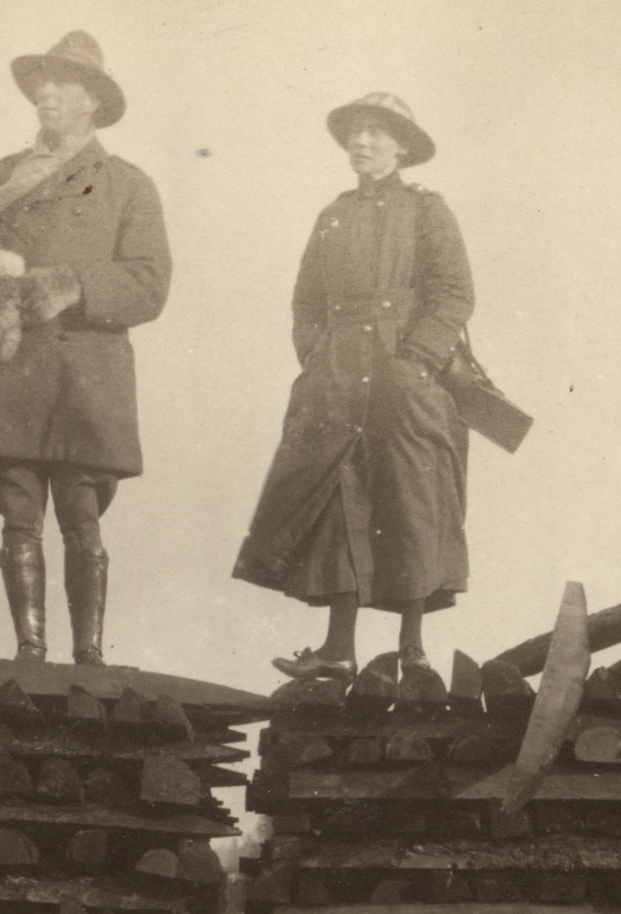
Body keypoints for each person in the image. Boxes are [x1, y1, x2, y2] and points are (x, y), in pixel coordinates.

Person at [0, 32, 171, 665]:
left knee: (82, 514)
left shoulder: (128, 186)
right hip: (7, 365)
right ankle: (30, 652)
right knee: (18, 514)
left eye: (65, 84)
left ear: (94, 102)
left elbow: (148, 285)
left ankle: (90, 657)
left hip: (84, 374)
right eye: (41, 83)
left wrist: (71, 285)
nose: (47, 94)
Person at [233, 93, 475, 682]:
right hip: (337, 375)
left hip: (404, 375)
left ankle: (411, 650)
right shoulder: (332, 215)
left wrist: (415, 359)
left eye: (376, 133)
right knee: (340, 499)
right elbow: (306, 302)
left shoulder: (426, 210)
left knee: (411, 496)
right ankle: (339, 649)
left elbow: (453, 293)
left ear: (403, 146)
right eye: (355, 133)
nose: (361, 143)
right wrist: (316, 356)